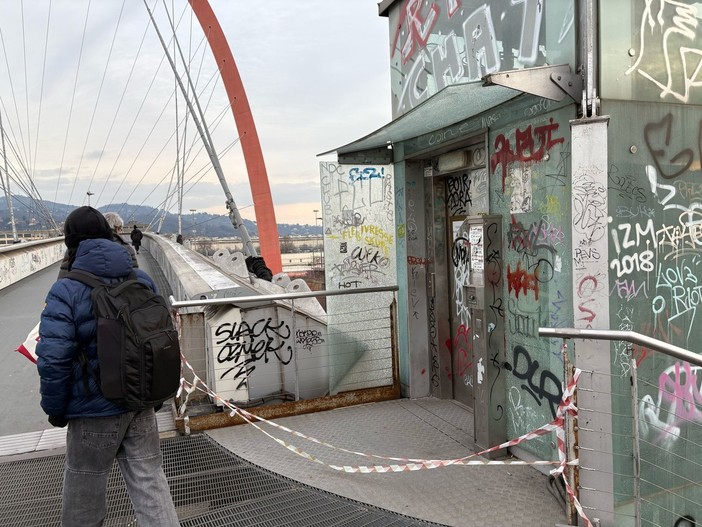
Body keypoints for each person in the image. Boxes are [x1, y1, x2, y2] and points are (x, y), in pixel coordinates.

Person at [36, 206, 179, 527]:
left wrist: (56, 409)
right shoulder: (139, 277)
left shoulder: (66, 289)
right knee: (150, 480)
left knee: (84, 488)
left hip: (92, 410)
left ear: (69, 241)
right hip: (140, 402)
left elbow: (53, 358)